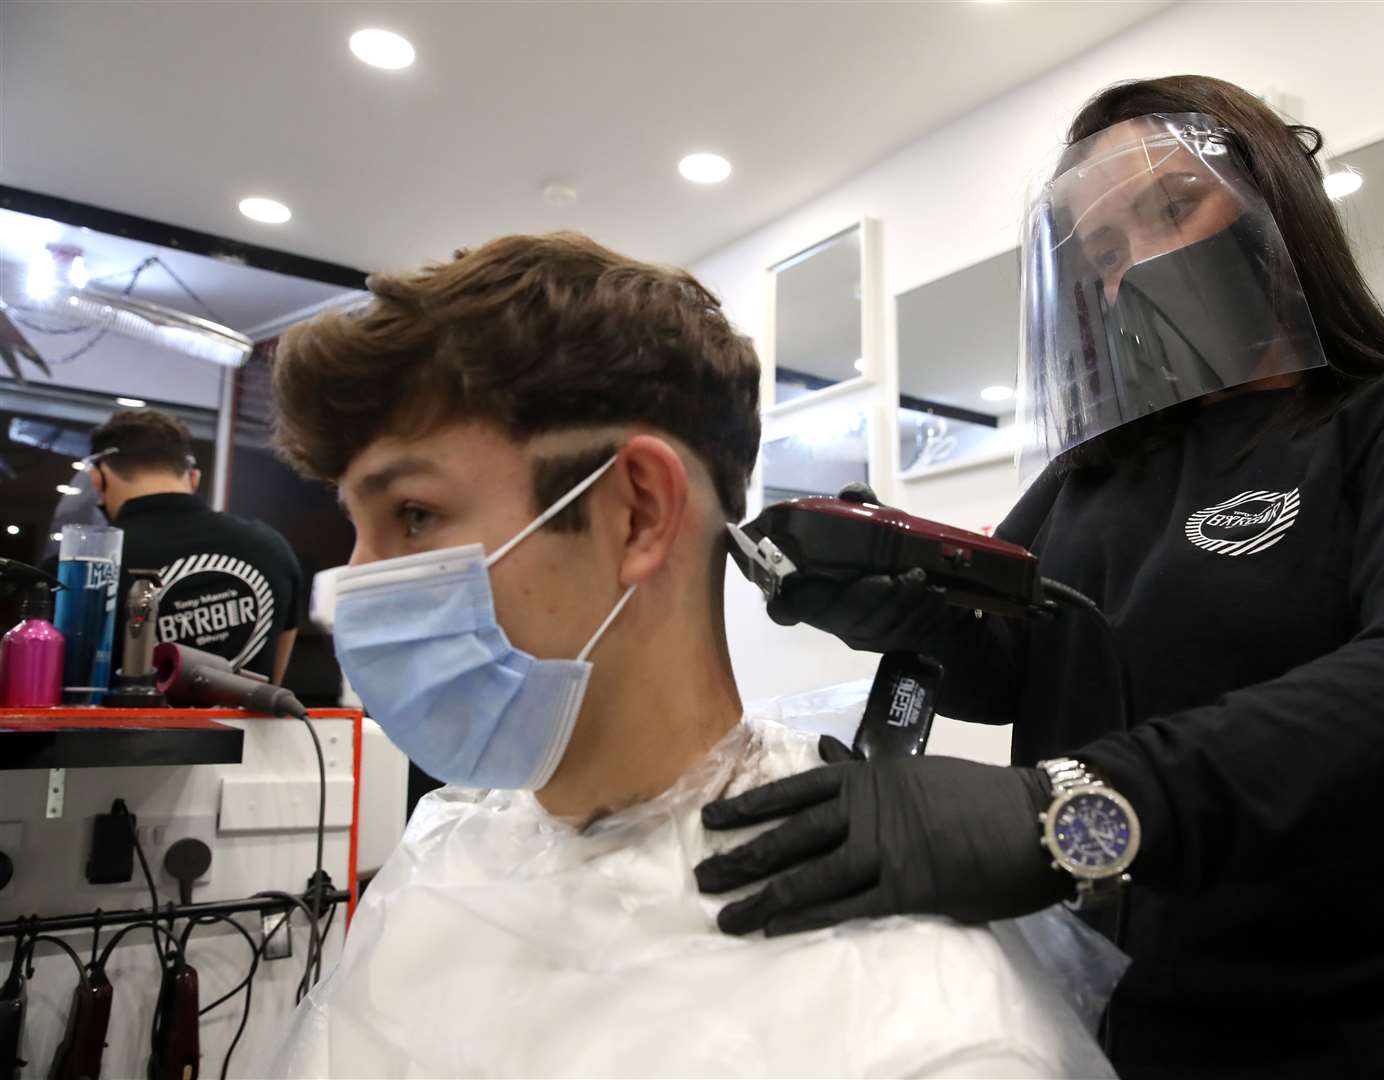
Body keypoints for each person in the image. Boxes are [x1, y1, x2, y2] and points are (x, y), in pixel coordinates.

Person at [698, 76, 1384, 1080]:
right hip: (1101, 1026)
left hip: (1364, 1044)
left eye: (1171, 209)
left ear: (1275, 203)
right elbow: (1019, 666)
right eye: (1104, 253)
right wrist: (896, 602)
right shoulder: (1094, 478)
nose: (1136, 268)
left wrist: (1080, 804)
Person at [261, 233, 1114, 1077]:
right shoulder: (443, 857)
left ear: (636, 511)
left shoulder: (919, 1015)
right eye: (356, 529)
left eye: (413, 515)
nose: (356, 583)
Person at [86, 409, 303, 683]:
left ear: (98, 478)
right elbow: (274, 684)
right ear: (193, 478)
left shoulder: (87, 566)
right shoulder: (272, 548)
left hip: (124, 727)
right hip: (247, 727)